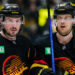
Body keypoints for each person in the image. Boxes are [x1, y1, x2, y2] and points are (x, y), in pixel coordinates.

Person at [30, 2, 75, 75]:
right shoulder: (43, 43)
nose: (62, 22)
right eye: (59, 18)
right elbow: (34, 67)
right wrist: (43, 72)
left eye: (66, 18)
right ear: (55, 20)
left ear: (73, 21)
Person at [0, 4, 35, 75]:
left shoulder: (26, 43)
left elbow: (34, 66)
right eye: (10, 20)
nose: (14, 25)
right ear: (2, 21)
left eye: (17, 21)